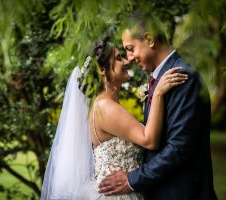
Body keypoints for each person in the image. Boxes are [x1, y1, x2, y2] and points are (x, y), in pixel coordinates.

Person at [40, 39, 187, 200]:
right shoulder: (106, 108)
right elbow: (149, 140)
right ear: (103, 70)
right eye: (118, 58)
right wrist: (158, 94)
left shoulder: (102, 106)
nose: (126, 61)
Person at [98, 20, 218, 200]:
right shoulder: (161, 79)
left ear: (150, 40)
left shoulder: (182, 76)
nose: (129, 58)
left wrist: (131, 179)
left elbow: (179, 147)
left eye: (131, 48)